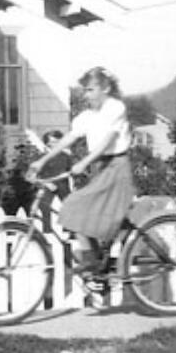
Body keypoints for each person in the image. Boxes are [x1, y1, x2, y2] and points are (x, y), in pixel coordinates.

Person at [28, 67, 135, 294]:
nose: (86, 95)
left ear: (105, 88)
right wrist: (42, 160)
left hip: (115, 167)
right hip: (100, 168)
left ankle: (92, 263)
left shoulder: (115, 108)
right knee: (81, 214)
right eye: (84, 90)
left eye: (91, 89)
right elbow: (69, 138)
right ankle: (96, 265)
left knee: (74, 206)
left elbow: (109, 140)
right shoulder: (87, 116)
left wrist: (85, 162)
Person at [35, 129, 73, 228]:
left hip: (62, 184)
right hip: (48, 184)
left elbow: (71, 170)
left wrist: (68, 174)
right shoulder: (42, 156)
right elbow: (37, 175)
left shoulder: (66, 156)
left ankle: (70, 230)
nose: (56, 144)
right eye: (53, 142)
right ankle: (47, 229)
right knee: (44, 205)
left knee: (69, 206)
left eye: (58, 141)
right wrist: (47, 184)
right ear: (47, 143)